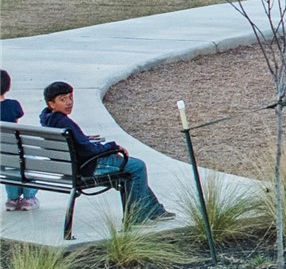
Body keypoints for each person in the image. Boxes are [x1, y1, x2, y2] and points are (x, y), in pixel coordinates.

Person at [37, 82, 168, 223]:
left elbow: (79, 144)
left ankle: (154, 210)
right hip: (88, 166)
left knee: (132, 168)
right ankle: (137, 218)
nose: (69, 102)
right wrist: (112, 147)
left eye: (70, 97)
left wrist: (90, 141)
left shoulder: (48, 120)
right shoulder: (64, 123)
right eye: (63, 99)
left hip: (70, 166)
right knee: (137, 167)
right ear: (52, 104)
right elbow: (88, 150)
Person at [2, 70, 34, 211]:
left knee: (9, 166)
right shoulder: (13, 105)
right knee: (26, 162)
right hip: (13, 148)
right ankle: (28, 198)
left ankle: (12, 199)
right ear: (8, 87)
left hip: (2, 154)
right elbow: (17, 116)